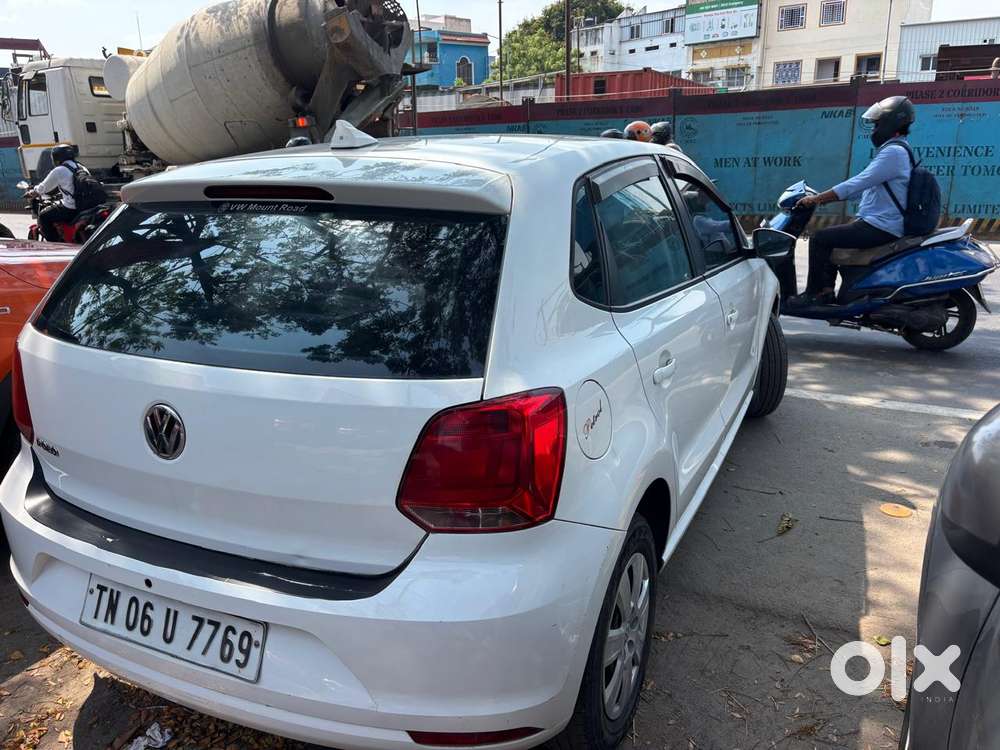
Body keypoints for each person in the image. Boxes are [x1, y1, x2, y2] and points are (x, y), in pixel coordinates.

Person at [788, 96, 915, 307]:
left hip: (882, 226)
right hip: (880, 222)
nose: (874, 130)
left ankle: (814, 294)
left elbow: (858, 183)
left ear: (889, 124)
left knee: (820, 238)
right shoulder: (897, 150)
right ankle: (827, 291)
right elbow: (865, 189)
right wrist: (824, 198)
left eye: (876, 125)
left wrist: (818, 199)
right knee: (833, 238)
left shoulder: (893, 152)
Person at [28, 144, 85, 242]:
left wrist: (33, 192)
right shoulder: (81, 167)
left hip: (71, 208)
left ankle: (54, 243)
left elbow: (43, 187)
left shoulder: (59, 170)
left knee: (43, 216)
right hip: (86, 205)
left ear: (56, 158)